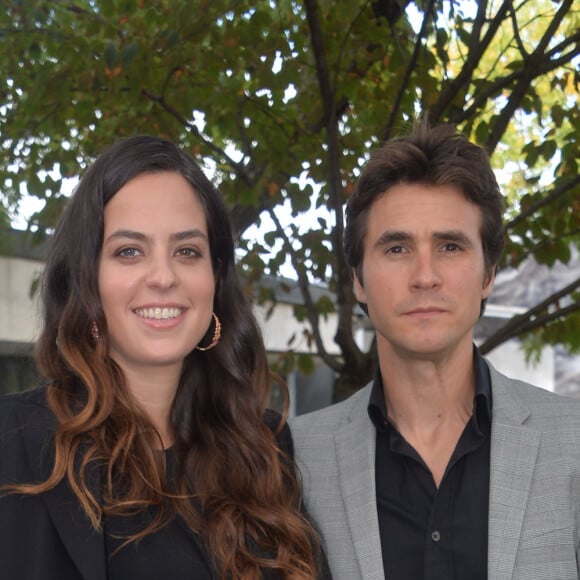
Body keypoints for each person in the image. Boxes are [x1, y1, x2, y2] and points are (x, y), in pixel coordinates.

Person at [0, 136, 330, 580]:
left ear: (215, 277)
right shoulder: (14, 442)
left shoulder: (266, 448)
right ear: (87, 279)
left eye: (187, 251)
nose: (163, 277)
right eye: (129, 251)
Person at [290, 122, 580, 579]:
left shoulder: (573, 444)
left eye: (450, 246)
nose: (425, 276)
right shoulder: (295, 462)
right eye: (397, 247)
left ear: (488, 274)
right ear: (359, 280)